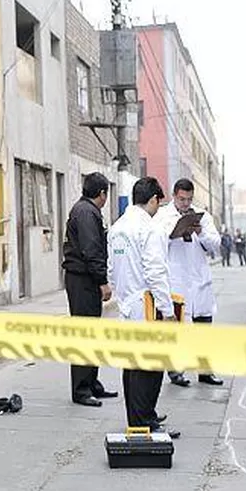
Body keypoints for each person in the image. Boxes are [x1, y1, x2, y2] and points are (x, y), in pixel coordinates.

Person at [108, 177, 180, 438]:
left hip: (127, 303)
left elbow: (111, 269)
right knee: (149, 367)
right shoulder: (150, 229)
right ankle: (144, 421)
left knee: (132, 365)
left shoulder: (117, 228)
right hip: (146, 306)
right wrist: (168, 310)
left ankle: (140, 416)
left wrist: (122, 294)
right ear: (153, 200)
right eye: (157, 204)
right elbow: (156, 271)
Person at [153, 179, 224, 387]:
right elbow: (155, 243)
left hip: (199, 279)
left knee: (203, 328)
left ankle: (204, 372)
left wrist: (200, 231)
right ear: (174, 196)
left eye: (189, 199)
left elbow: (215, 245)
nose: (185, 204)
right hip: (176, 281)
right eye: (182, 199)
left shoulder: (203, 216)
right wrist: (174, 233)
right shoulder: (162, 216)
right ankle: (176, 372)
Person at [61, 172, 118, 407]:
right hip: (82, 280)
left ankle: (92, 383)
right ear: (102, 193)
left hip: (85, 279)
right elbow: (91, 250)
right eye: (106, 195)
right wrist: (102, 281)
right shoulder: (86, 213)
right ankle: (81, 390)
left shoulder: (87, 210)